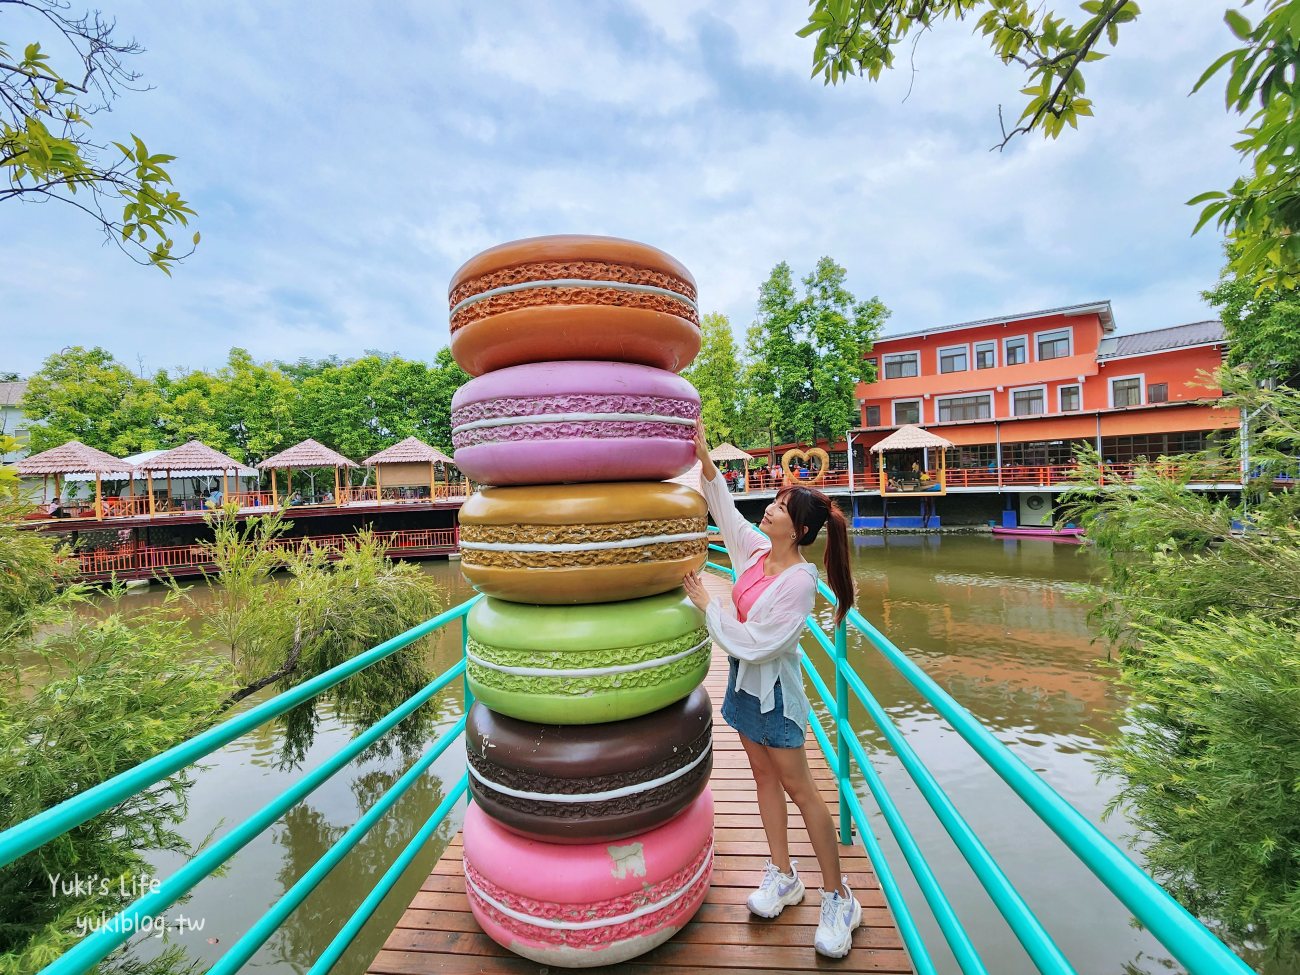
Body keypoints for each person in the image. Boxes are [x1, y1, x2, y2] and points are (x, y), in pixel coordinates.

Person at [682, 420, 861, 958]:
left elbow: (759, 643)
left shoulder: (800, 583)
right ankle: (783, 873)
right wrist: (707, 461)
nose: (772, 509)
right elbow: (728, 517)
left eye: (782, 507)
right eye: (777, 502)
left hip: (775, 694)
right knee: (762, 777)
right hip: (743, 686)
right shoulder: (759, 555)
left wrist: (707, 605)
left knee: (802, 789)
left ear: (799, 530)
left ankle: (839, 896)